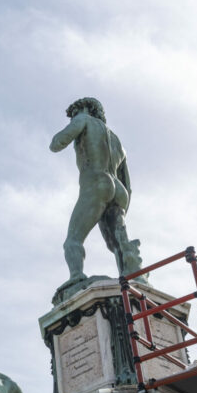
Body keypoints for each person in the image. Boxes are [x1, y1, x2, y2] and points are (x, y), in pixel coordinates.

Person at [49, 97, 143, 283]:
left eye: (74, 113)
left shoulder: (83, 120)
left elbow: (56, 144)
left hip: (96, 183)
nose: (73, 118)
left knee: (73, 240)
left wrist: (72, 128)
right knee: (116, 244)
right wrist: (121, 205)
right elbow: (128, 184)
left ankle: (76, 278)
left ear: (85, 108)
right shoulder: (117, 141)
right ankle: (131, 277)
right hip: (119, 190)